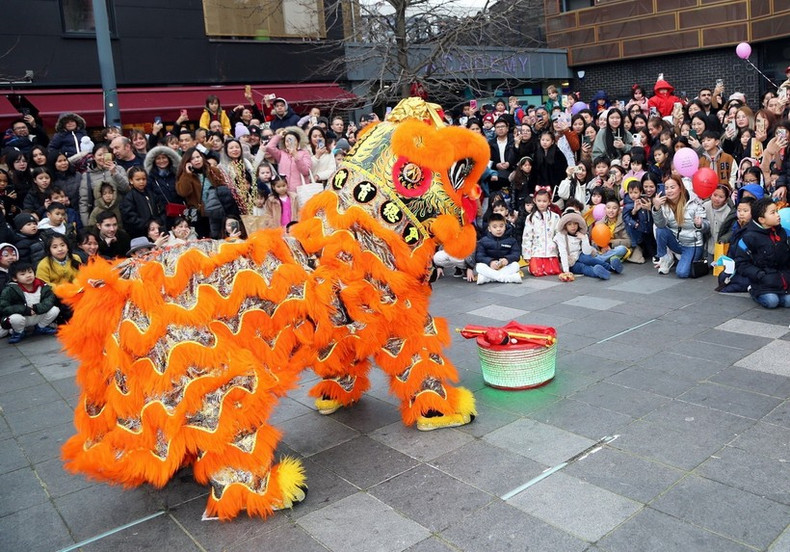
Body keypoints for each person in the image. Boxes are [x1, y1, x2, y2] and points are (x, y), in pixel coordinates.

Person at [732, 198, 790, 308]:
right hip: (762, 282)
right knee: (772, 302)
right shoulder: (749, 237)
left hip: (783, 279)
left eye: (777, 211)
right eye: (773, 213)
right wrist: (759, 274)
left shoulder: (782, 233)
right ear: (762, 219)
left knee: (787, 302)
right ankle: (753, 291)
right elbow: (741, 263)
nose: (778, 215)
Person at [652, 177, 709, 277]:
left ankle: (685, 260)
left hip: (691, 244)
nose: (669, 191)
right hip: (676, 242)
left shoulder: (694, 203)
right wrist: (657, 208)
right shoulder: (664, 204)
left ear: (680, 188)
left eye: (672, 187)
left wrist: (700, 224)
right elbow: (660, 225)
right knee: (660, 230)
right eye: (667, 188)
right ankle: (665, 257)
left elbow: (707, 226)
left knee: (682, 273)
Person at [0, 261, 59, 343]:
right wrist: (25, 310)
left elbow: (50, 299)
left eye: (30, 272)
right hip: (23, 317)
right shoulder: (10, 289)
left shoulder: (42, 285)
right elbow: (4, 307)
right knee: (15, 319)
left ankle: (41, 327)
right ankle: (19, 332)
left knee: (55, 310)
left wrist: (37, 308)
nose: (28, 276)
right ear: (15, 278)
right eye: (22, 274)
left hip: (37, 314)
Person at [554, 210, 617, 280]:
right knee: (582, 267)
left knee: (588, 259)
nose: (573, 226)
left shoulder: (581, 234)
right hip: (570, 261)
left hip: (580, 254)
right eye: (569, 224)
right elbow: (563, 253)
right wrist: (566, 271)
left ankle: (611, 267)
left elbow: (587, 252)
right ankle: (598, 273)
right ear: (565, 226)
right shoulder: (561, 236)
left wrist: (584, 239)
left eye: (575, 224)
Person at [521, 188, 560, 276]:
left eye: (544, 201)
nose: (541, 203)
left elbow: (558, 233)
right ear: (535, 201)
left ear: (549, 202)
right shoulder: (531, 217)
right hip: (536, 251)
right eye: (539, 201)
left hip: (551, 250)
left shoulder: (555, 217)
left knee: (553, 271)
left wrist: (555, 244)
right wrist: (527, 254)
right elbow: (527, 237)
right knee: (537, 272)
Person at [474, 213, 522, 285]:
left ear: (505, 227)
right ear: (489, 229)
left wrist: (507, 259)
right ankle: (509, 278)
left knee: (516, 265)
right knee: (479, 266)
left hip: (505, 266)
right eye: (495, 227)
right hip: (490, 267)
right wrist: (490, 262)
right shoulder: (483, 241)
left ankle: (488, 278)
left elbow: (516, 255)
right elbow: (479, 256)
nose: (498, 229)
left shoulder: (511, 240)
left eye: (501, 226)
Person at [120, 167, 165, 238]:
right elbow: (129, 217)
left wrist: (158, 223)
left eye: (144, 179)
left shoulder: (152, 194)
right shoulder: (129, 197)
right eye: (138, 179)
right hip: (140, 234)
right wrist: (147, 225)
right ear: (131, 180)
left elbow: (161, 210)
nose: (141, 182)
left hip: (156, 231)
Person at [265, 127, 312, 193]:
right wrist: (279, 136)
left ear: (298, 142)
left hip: (300, 191)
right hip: (284, 191)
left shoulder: (304, 153)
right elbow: (269, 147)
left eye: (292, 140)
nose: (290, 143)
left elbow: (305, 172)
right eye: (287, 141)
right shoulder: (281, 154)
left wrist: (296, 156)